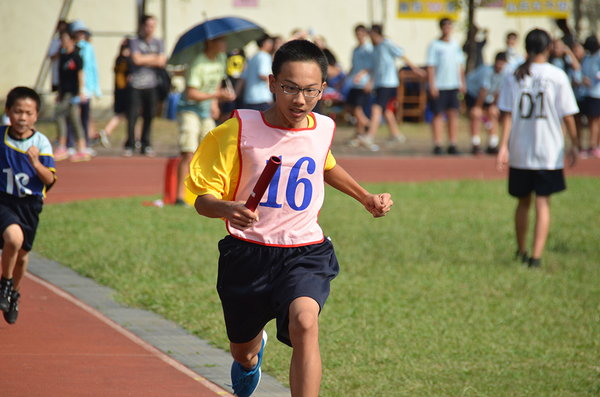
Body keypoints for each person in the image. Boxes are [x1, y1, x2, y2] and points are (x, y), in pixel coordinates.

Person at [185, 39, 393, 397]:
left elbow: (324, 166)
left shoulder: (322, 128)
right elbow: (201, 199)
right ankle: (251, 358)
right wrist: (226, 208)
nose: (300, 100)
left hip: (304, 252)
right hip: (247, 255)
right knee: (243, 353)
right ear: (271, 83)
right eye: (290, 88)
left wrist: (365, 197)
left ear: (323, 89)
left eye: (310, 91)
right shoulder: (237, 131)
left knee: (305, 323)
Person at [496, 28, 579, 268]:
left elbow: (507, 115)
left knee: (523, 203)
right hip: (548, 152)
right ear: (548, 48)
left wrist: (503, 146)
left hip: (520, 151)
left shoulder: (515, 75)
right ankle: (536, 257)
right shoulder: (557, 75)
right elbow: (568, 115)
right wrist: (575, 144)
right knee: (543, 204)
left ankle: (521, 250)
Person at [0, 87, 56, 324]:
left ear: (36, 115)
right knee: (13, 239)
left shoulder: (41, 142)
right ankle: (5, 283)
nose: (22, 117)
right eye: (17, 111)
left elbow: (49, 180)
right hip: (4, 200)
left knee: (22, 256)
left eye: (28, 113)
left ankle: (13, 293)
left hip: (30, 205)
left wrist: (35, 163)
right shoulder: (1, 137)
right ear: (8, 112)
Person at [175, 36, 235, 206]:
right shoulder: (197, 62)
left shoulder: (221, 58)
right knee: (189, 153)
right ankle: (179, 198)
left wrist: (214, 103)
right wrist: (217, 96)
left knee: (213, 151)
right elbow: (191, 94)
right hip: (189, 110)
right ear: (210, 43)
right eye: (221, 41)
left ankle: (208, 195)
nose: (225, 44)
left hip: (205, 111)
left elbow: (216, 82)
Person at [359, 24, 425, 151]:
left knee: (376, 108)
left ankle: (369, 136)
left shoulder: (386, 44)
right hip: (379, 83)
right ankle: (396, 135)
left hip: (388, 83)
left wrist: (415, 69)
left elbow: (401, 54)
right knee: (385, 110)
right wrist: (369, 82)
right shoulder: (375, 49)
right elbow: (375, 69)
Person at [125, 15, 166, 157]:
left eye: (153, 26)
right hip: (135, 84)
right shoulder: (134, 41)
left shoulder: (159, 41)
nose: (150, 29)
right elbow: (136, 60)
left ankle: (146, 144)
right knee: (132, 115)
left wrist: (145, 58)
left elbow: (162, 61)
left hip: (152, 85)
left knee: (149, 115)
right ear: (142, 26)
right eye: (148, 26)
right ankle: (130, 144)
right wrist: (153, 57)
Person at [426, 18, 467, 155]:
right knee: (438, 114)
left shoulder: (455, 45)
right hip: (440, 84)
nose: (447, 29)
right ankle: (438, 144)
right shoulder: (435, 45)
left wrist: (462, 83)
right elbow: (430, 66)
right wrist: (432, 85)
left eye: (449, 26)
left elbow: (459, 66)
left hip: (453, 85)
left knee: (453, 114)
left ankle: (452, 143)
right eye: (444, 26)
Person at [53, 30, 92, 162]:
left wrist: (82, 91)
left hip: (73, 93)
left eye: (65, 39)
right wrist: (59, 93)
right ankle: (82, 148)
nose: (63, 42)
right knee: (74, 119)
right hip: (64, 93)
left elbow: (80, 74)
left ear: (72, 41)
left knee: (59, 115)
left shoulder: (76, 56)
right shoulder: (62, 57)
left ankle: (63, 146)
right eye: (61, 40)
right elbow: (61, 78)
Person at [465, 52, 507, 155]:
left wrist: (493, 105)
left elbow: (498, 90)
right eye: (498, 63)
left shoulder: (505, 73)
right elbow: (483, 89)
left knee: (493, 114)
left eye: (502, 64)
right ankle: (476, 145)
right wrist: (477, 107)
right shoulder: (487, 71)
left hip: (487, 95)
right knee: (476, 115)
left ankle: (492, 144)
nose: (499, 66)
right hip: (473, 94)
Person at [69, 20, 102, 150]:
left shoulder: (88, 48)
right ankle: (71, 142)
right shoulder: (71, 48)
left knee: (86, 115)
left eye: (82, 32)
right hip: (73, 87)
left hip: (86, 86)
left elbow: (93, 67)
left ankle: (85, 142)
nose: (80, 34)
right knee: (72, 114)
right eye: (78, 32)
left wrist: (96, 88)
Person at [98, 38, 134, 148]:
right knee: (128, 116)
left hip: (118, 92)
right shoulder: (127, 60)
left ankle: (134, 138)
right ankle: (107, 132)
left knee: (125, 116)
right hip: (125, 92)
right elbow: (129, 77)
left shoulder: (118, 59)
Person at [345, 24, 373, 146]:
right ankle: (364, 127)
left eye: (361, 33)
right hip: (354, 83)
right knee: (350, 107)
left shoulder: (368, 49)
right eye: (357, 33)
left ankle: (364, 129)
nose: (359, 36)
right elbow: (353, 66)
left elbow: (371, 66)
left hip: (363, 83)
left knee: (357, 109)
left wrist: (365, 78)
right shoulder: (356, 49)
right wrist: (346, 77)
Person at [236, 34, 274, 111]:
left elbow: (243, 78)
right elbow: (262, 74)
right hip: (262, 99)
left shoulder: (253, 57)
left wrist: (236, 94)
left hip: (249, 99)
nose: (272, 44)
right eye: (270, 41)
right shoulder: (264, 56)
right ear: (264, 43)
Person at [581, 34, 600, 158]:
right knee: (590, 120)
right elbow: (582, 71)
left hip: (597, 92)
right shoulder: (587, 58)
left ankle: (594, 145)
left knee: (596, 120)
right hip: (588, 92)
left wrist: (595, 78)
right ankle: (592, 144)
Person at [48, 20, 69, 93]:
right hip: (56, 76)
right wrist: (60, 51)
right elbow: (52, 56)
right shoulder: (55, 42)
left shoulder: (70, 44)